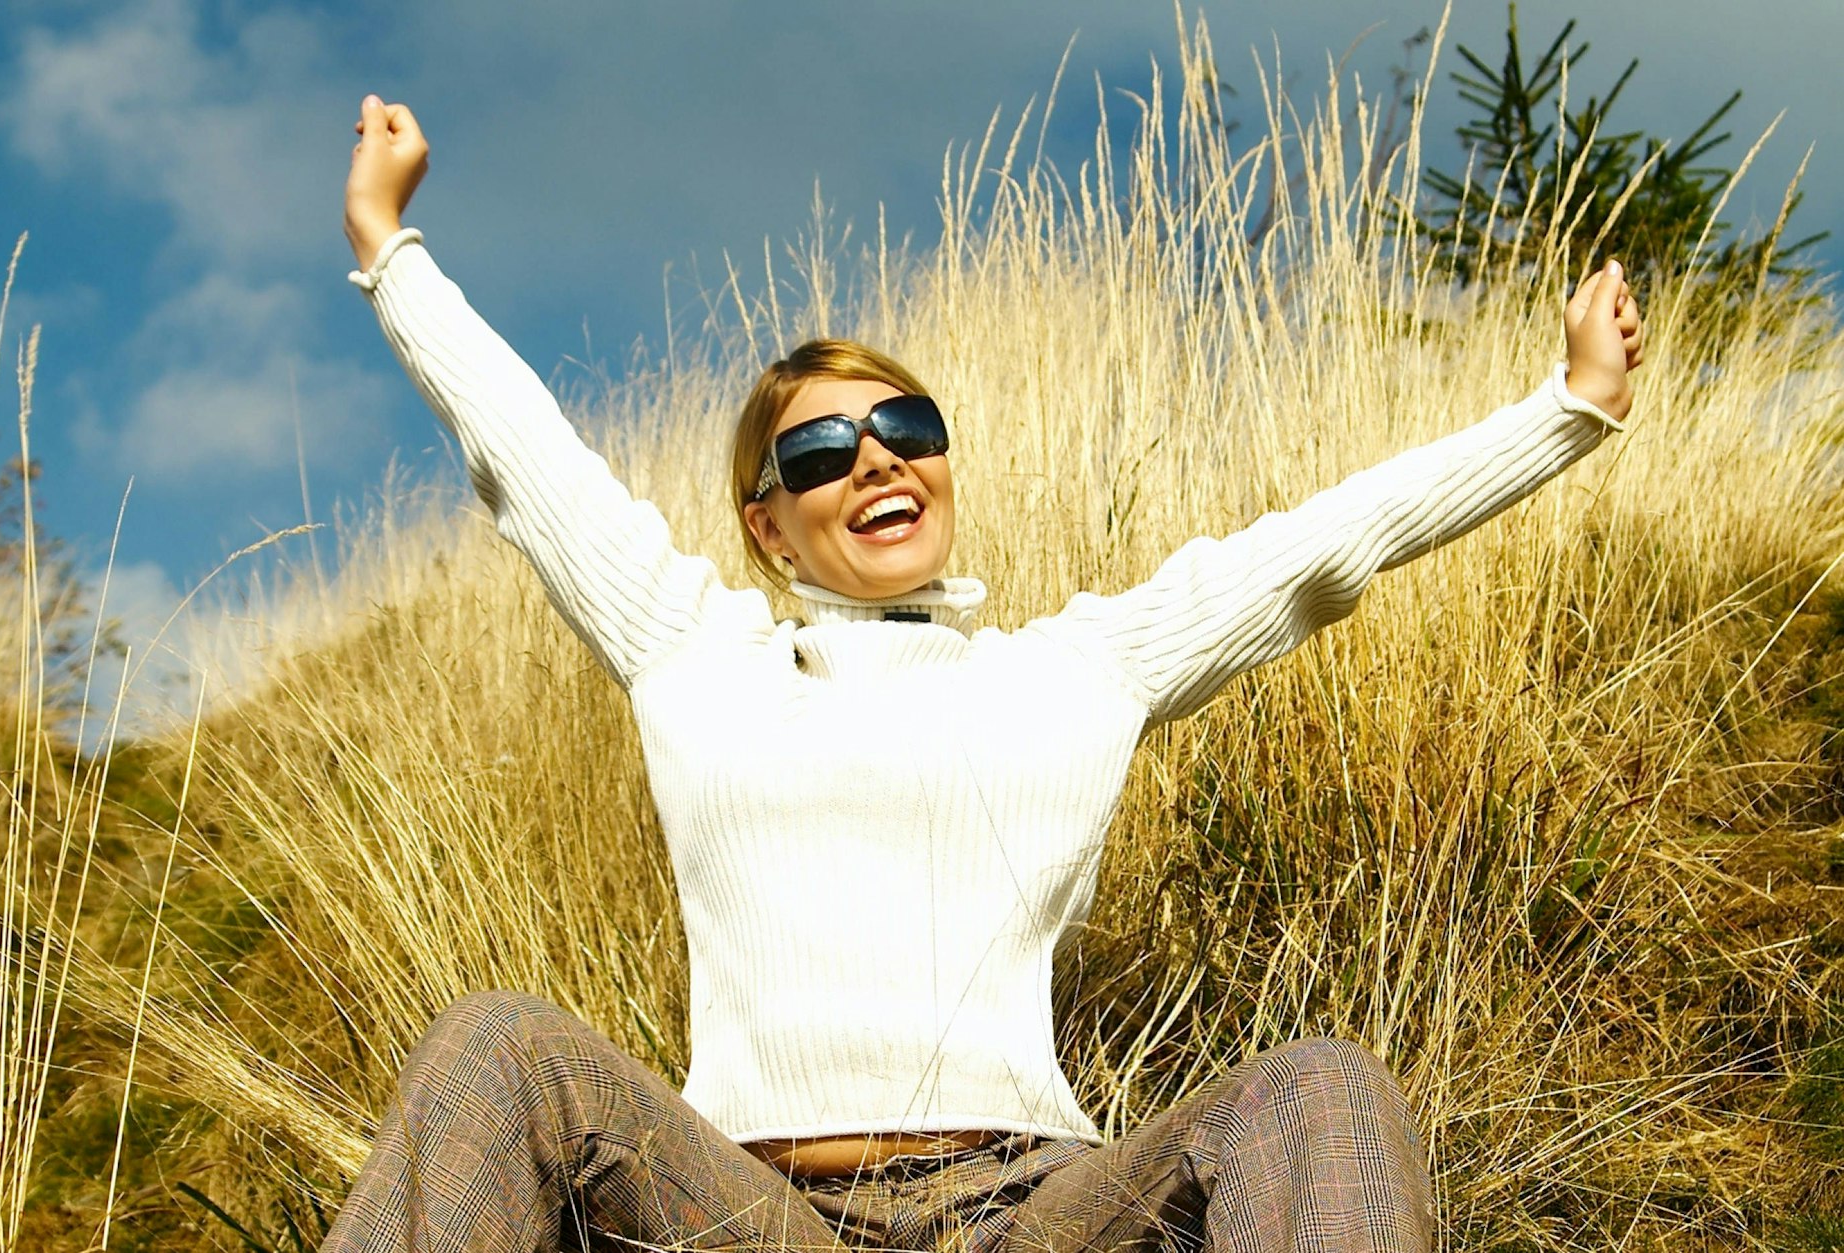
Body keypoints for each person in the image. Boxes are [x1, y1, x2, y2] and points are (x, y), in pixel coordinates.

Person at [322, 94, 1643, 1253]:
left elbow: (1324, 544)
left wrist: (1564, 413)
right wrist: (392, 252)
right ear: (768, 523)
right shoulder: (692, 649)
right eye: (823, 449)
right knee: (498, 1047)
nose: (876, 458)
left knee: (1320, 1089)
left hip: (1034, 1209)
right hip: (751, 1207)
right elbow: (525, 452)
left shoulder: (1080, 665)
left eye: (903, 427)